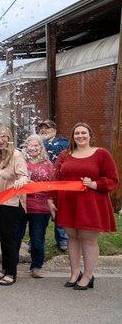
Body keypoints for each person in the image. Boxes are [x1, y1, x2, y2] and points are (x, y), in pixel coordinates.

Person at [51, 123, 119, 290]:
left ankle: (88, 275)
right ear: (72, 137)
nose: (80, 136)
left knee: (88, 239)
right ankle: (74, 273)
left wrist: (95, 184)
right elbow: (56, 178)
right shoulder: (65, 155)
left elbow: (113, 179)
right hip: (68, 202)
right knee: (72, 237)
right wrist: (51, 199)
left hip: (91, 203)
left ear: (90, 135)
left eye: (83, 133)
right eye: (76, 133)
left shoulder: (101, 154)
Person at [0, 126, 29, 286]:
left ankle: (11, 272)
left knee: (10, 239)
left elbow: (24, 175)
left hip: (12, 204)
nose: (0, 139)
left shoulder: (17, 155)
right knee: (3, 238)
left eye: (3, 136)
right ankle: (5, 268)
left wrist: (21, 180)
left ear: (9, 137)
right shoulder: (0, 155)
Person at [18, 135, 54, 278]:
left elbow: (52, 186)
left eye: (36, 145)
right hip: (21, 205)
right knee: (16, 236)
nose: (32, 148)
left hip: (41, 207)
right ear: (25, 147)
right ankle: (10, 265)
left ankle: (37, 266)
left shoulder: (48, 164)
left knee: (37, 238)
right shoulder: (20, 162)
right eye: (29, 145)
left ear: (41, 147)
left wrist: (34, 186)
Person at [38, 119, 70, 252]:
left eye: (47, 128)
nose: (44, 130)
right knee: (40, 211)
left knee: (59, 208)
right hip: (41, 181)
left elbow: (57, 149)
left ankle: (62, 239)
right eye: (42, 128)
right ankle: (38, 239)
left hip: (58, 181)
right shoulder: (38, 142)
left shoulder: (62, 142)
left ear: (55, 130)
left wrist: (42, 142)